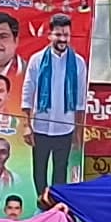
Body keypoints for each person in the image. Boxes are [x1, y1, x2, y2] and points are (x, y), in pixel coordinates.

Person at [27, 12, 90, 196]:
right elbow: (27, 93)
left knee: (61, 170)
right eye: (59, 35)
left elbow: (80, 101)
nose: (63, 39)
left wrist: (78, 132)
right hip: (40, 126)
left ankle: (56, 204)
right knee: (39, 169)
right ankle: (41, 201)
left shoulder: (78, 63)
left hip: (65, 127)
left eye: (66, 35)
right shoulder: (37, 60)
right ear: (50, 35)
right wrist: (26, 125)